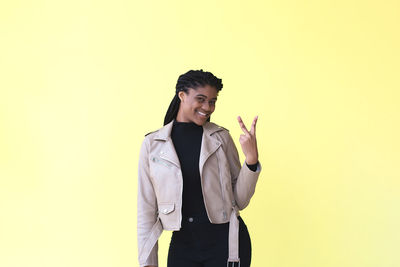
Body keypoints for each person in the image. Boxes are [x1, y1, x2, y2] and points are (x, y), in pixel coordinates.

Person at [137, 69, 262, 267]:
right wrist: (148, 262)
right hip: (183, 247)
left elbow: (240, 200)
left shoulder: (221, 138)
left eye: (212, 101)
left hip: (227, 245)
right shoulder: (153, 145)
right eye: (201, 99)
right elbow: (146, 209)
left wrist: (251, 160)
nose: (207, 107)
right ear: (182, 95)